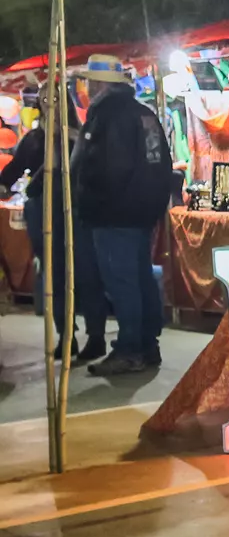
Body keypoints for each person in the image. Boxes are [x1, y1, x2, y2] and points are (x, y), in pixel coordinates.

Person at [72, 55, 174, 376]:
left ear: (99, 84)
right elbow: (163, 164)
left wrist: (90, 200)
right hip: (140, 211)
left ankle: (130, 349)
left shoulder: (108, 116)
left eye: (90, 82)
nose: (87, 88)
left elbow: (108, 169)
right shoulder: (143, 113)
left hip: (114, 213)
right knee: (140, 278)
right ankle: (146, 344)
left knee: (122, 281)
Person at [0, 101, 110, 363]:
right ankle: (65, 335)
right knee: (54, 275)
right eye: (44, 101)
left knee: (87, 273)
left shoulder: (82, 136)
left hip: (78, 212)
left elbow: (99, 170)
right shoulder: (35, 139)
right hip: (45, 213)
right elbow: (14, 170)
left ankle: (96, 336)